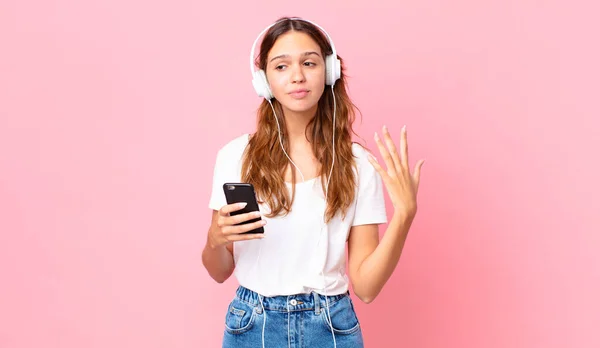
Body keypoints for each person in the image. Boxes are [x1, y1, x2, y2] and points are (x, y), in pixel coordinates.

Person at [201, 16, 425, 348]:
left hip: (331, 325)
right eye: (281, 67)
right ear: (263, 82)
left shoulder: (357, 164)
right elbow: (219, 271)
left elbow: (366, 287)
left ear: (330, 70)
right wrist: (215, 239)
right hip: (253, 324)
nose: (297, 76)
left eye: (309, 62)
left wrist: (405, 215)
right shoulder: (236, 156)